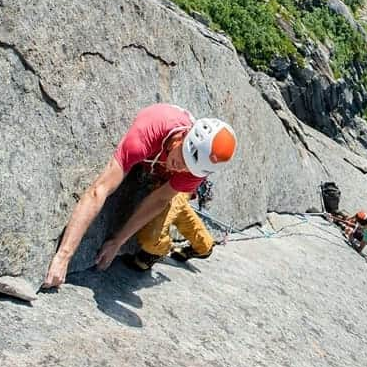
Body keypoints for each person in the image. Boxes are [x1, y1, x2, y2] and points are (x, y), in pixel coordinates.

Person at [43, 103, 237, 288]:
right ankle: (204, 244)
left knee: (152, 238)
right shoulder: (148, 133)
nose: (181, 167)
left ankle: (174, 248)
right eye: (183, 156)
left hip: (169, 185)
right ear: (185, 134)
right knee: (176, 205)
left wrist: (118, 241)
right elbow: (99, 190)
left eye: (190, 167)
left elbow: (161, 199)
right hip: (161, 168)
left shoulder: (194, 172)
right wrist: (63, 256)